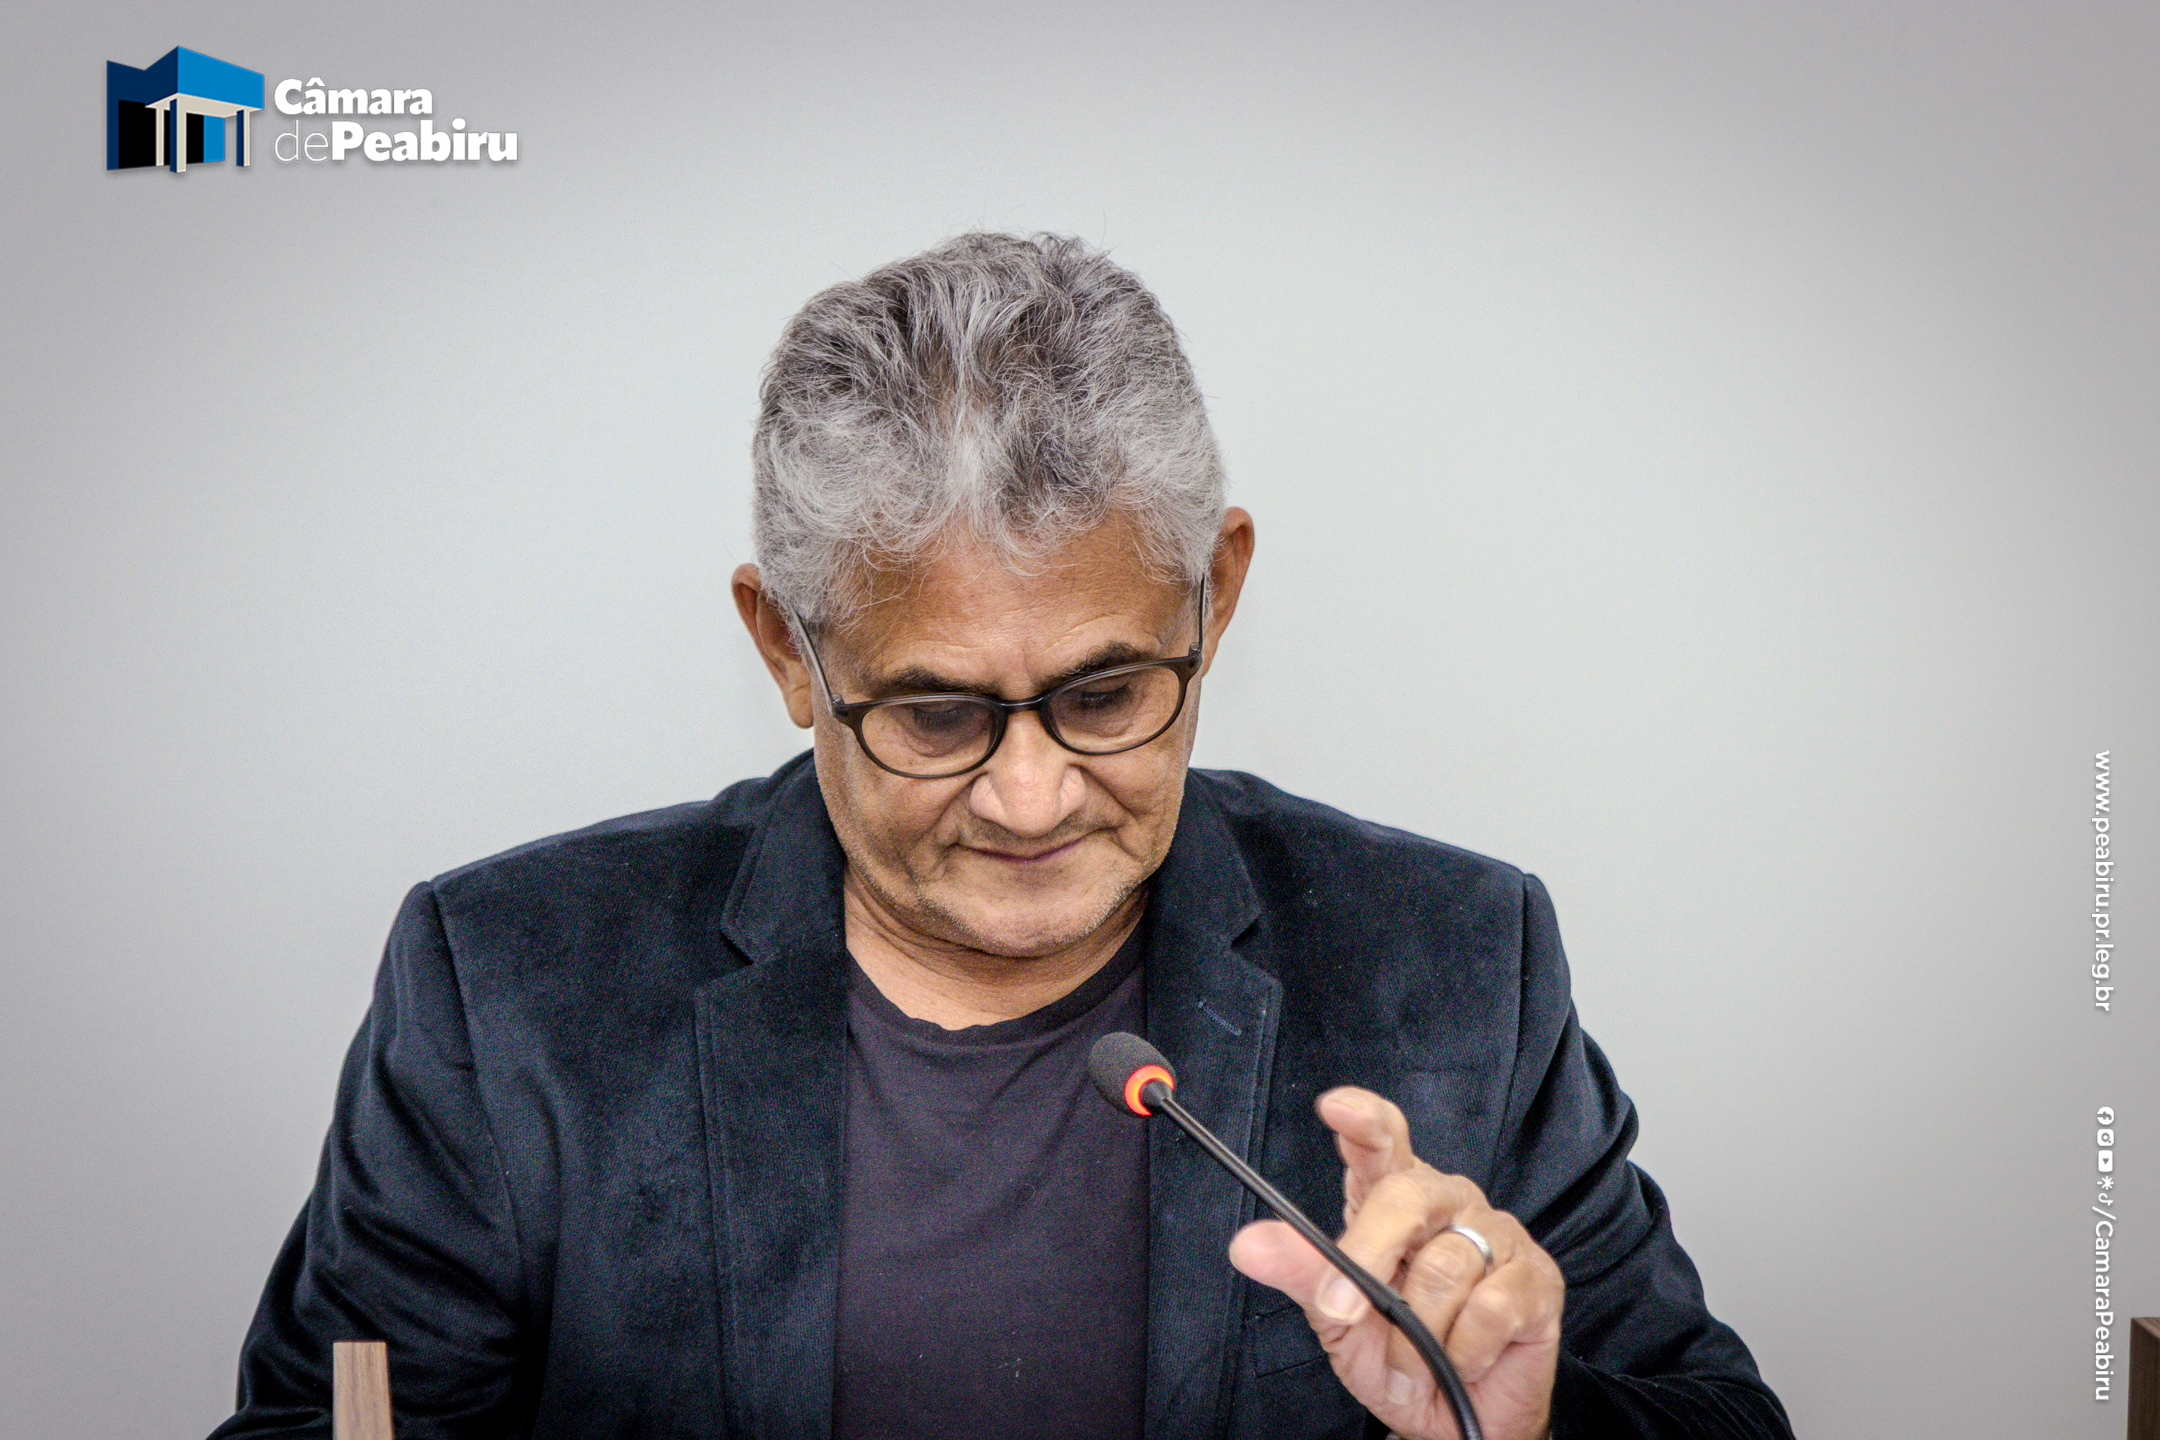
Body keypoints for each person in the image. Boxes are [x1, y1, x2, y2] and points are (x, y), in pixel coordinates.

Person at [212, 233, 1792, 1440]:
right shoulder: (505, 988)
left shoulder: (1456, 965)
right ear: (786, 651)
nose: (1032, 801)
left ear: (1216, 596)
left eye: (1107, 695)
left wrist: (1532, 1423)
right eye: (935, 715)